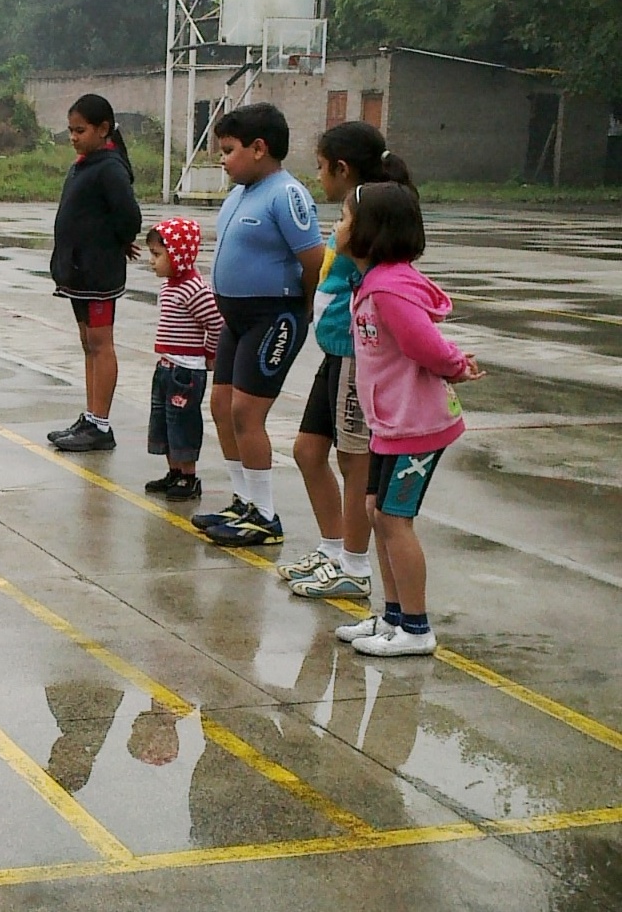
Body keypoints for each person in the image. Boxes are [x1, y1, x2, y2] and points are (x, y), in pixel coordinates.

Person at [334, 182, 483, 656]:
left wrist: (455, 366)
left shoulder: (389, 289)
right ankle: (393, 616)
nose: (336, 226)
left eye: (344, 218)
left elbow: (424, 344)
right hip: (390, 424)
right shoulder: (371, 283)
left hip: (416, 426)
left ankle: (416, 628)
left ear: (369, 231)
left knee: (394, 519)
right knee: (376, 512)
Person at [281, 123, 416, 599]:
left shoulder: (370, 214)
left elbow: (381, 279)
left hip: (357, 357)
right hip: (335, 352)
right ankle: (333, 548)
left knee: (354, 461)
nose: (317, 176)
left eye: (321, 167)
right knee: (307, 450)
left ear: (342, 168)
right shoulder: (355, 207)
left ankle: (355, 567)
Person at [193, 102, 325, 547]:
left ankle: (265, 516)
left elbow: (314, 260)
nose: (223, 160)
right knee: (221, 406)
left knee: (246, 413)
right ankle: (244, 500)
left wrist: (303, 306)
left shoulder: (286, 195)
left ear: (259, 148)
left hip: (272, 315)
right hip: (236, 319)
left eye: (229, 150)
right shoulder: (240, 193)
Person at [46, 94, 142, 452]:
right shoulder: (86, 163)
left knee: (101, 345)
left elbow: (129, 217)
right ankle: (90, 416)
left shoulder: (110, 168)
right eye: (70, 130)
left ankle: (101, 425)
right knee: (88, 343)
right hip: (79, 273)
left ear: (103, 129)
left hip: (98, 274)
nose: (73, 137)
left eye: (80, 130)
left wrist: (119, 241)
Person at [143, 218, 222, 502]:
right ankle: (174, 471)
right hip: (167, 365)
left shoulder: (194, 289)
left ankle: (188, 476)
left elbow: (216, 323)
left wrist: (210, 354)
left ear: (178, 256)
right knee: (164, 420)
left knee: (182, 422)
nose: (151, 261)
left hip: (186, 371)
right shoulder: (169, 286)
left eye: (157, 255)